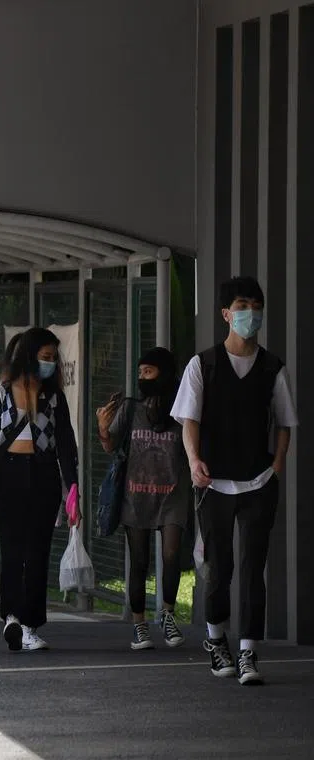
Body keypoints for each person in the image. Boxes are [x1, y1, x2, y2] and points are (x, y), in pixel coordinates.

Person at [171, 276, 297, 685]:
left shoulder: (273, 368)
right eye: (242, 306)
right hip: (214, 483)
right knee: (218, 567)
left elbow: (284, 421)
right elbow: (188, 420)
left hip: (259, 480)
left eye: (256, 307)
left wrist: (277, 464)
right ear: (226, 314)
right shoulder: (202, 365)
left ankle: (248, 652)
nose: (250, 314)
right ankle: (216, 639)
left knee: (252, 566)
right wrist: (194, 462)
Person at [0, 327, 80, 652]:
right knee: (12, 552)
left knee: (37, 554)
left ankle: (30, 625)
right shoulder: (1, 393)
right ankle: (11, 617)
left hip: (44, 478)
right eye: (45, 357)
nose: (51, 363)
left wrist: (73, 491)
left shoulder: (53, 398)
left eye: (54, 358)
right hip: (8, 477)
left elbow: (66, 447)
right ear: (28, 356)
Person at [96, 347, 190, 651]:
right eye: (140, 373)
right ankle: (139, 624)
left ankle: (167, 613)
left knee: (172, 555)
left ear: (164, 372)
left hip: (173, 495)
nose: (143, 378)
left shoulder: (182, 407)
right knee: (139, 561)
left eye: (148, 371)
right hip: (135, 497)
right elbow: (110, 445)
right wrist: (102, 427)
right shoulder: (131, 408)